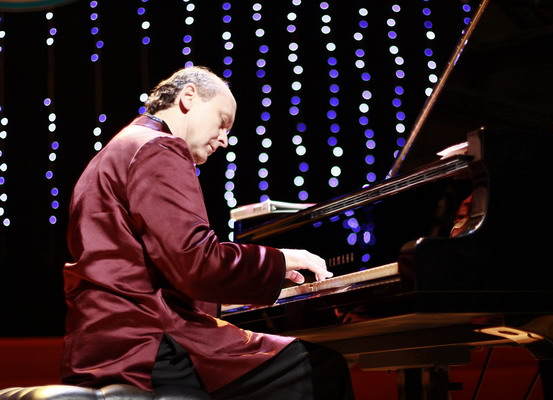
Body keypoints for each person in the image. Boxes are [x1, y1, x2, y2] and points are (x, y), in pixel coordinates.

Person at [61, 65, 355, 399]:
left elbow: (149, 264)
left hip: (101, 343)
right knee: (321, 367)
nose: (225, 140)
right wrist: (279, 260)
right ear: (189, 97)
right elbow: (194, 261)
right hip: (149, 345)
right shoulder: (158, 148)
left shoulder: (116, 149)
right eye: (222, 122)